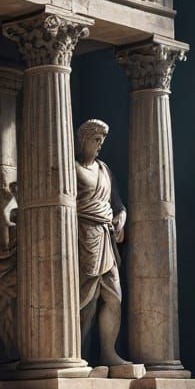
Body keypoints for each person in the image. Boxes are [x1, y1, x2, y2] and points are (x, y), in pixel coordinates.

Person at [75, 118, 127, 366]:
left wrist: (121, 219)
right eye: (96, 140)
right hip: (83, 236)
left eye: (102, 142)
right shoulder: (72, 168)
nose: (99, 146)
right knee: (85, 301)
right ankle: (79, 353)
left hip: (105, 236)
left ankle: (109, 352)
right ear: (84, 140)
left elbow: (117, 204)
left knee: (114, 296)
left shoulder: (104, 169)